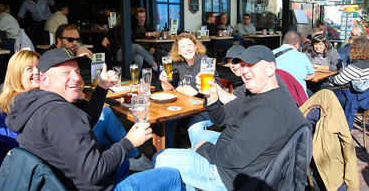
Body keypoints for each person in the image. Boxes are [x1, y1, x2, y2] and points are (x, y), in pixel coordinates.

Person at [5, 48, 182, 190]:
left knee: (123, 165)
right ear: (43, 79)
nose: (75, 77)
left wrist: (102, 87)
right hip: (93, 185)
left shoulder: (34, 104)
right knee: (172, 175)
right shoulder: (59, 113)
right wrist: (128, 142)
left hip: (64, 180)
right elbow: (94, 172)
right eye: (65, 72)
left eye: (76, 71)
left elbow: (83, 122)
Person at [154, 45, 307, 190]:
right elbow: (221, 119)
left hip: (230, 175)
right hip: (231, 147)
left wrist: (204, 148)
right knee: (196, 133)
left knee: (161, 157)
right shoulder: (256, 92)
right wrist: (212, 97)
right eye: (243, 65)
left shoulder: (270, 109)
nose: (245, 70)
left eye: (252, 65)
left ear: (271, 68)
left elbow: (233, 158)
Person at [0, 50, 40, 183]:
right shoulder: (21, 105)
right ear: (16, 75)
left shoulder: (3, 101)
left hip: (1, 173)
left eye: (39, 67)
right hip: (18, 176)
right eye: (29, 68)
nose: (37, 72)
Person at [332, 37, 369, 129]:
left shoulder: (356, 67)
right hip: (366, 99)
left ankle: (334, 128)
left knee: (328, 96)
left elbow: (338, 81)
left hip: (357, 101)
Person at [273, 30, 314, 95]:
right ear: (297, 44)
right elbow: (311, 74)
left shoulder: (272, 54)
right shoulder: (302, 56)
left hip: (277, 95)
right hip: (298, 98)